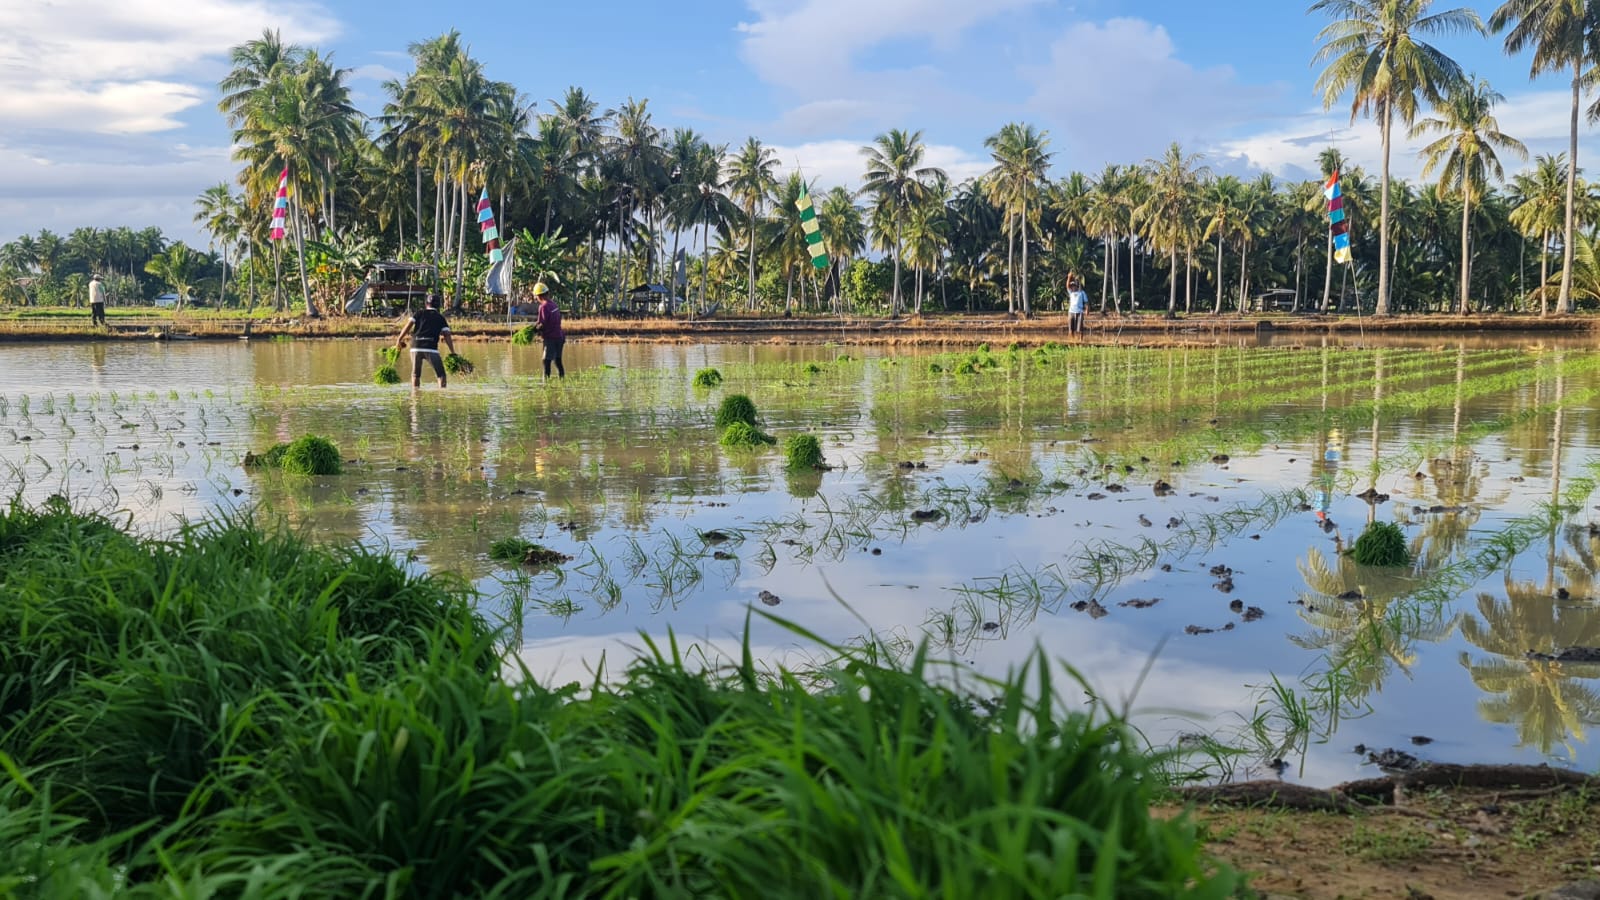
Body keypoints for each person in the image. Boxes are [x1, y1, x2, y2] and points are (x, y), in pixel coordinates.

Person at [394, 293, 457, 388]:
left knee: (415, 374)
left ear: (426, 304)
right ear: (438, 305)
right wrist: (452, 352)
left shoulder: (419, 313)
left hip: (415, 347)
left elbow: (408, 325)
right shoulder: (440, 318)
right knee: (441, 375)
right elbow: (447, 335)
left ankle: (415, 396)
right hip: (431, 348)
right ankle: (442, 394)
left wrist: (399, 339)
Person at [533, 282, 565, 379]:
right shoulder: (554, 305)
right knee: (557, 361)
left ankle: (545, 384)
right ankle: (562, 380)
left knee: (546, 361)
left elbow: (542, 324)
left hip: (551, 338)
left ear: (539, 296)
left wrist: (534, 330)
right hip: (559, 337)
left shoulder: (543, 306)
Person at [1067, 273, 1087, 338]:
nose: (1072, 287)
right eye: (1071, 286)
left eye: (1073, 285)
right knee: (1071, 328)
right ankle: (1072, 339)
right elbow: (1067, 286)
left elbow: (1086, 302)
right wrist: (1069, 277)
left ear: (1076, 286)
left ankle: (1081, 340)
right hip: (1071, 312)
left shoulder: (1081, 292)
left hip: (1079, 312)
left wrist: (1087, 309)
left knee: (1080, 328)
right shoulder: (1071, 292)